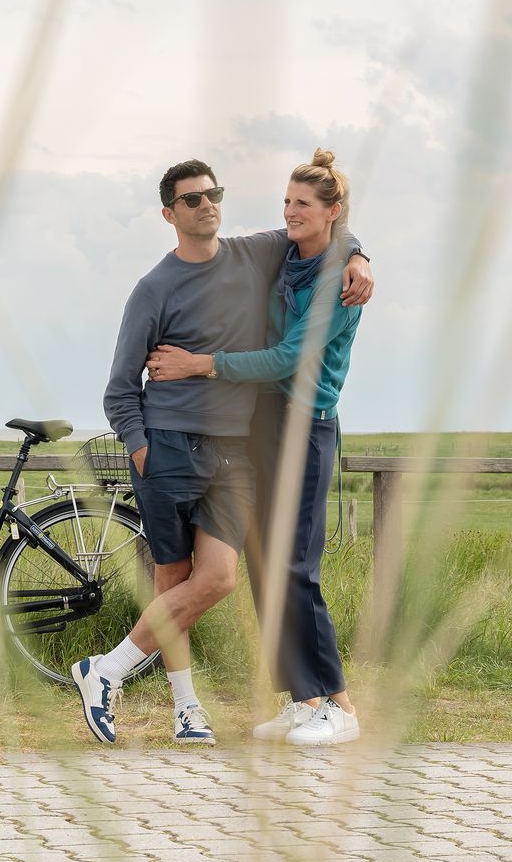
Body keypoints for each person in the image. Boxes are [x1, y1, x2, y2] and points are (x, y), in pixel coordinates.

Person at [79, 157, 371, 746]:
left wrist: (360, 255)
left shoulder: (258, 254)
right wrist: (140, 447)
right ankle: (206, 709)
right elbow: (119, 388)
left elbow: (325, 236)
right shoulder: (155, 288)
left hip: (249, 444)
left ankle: (107, 669)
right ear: (170, 214)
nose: (206, 203)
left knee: (239, 574)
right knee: (195, 575)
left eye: (213, 193)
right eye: (192, 198)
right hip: (177, 446)